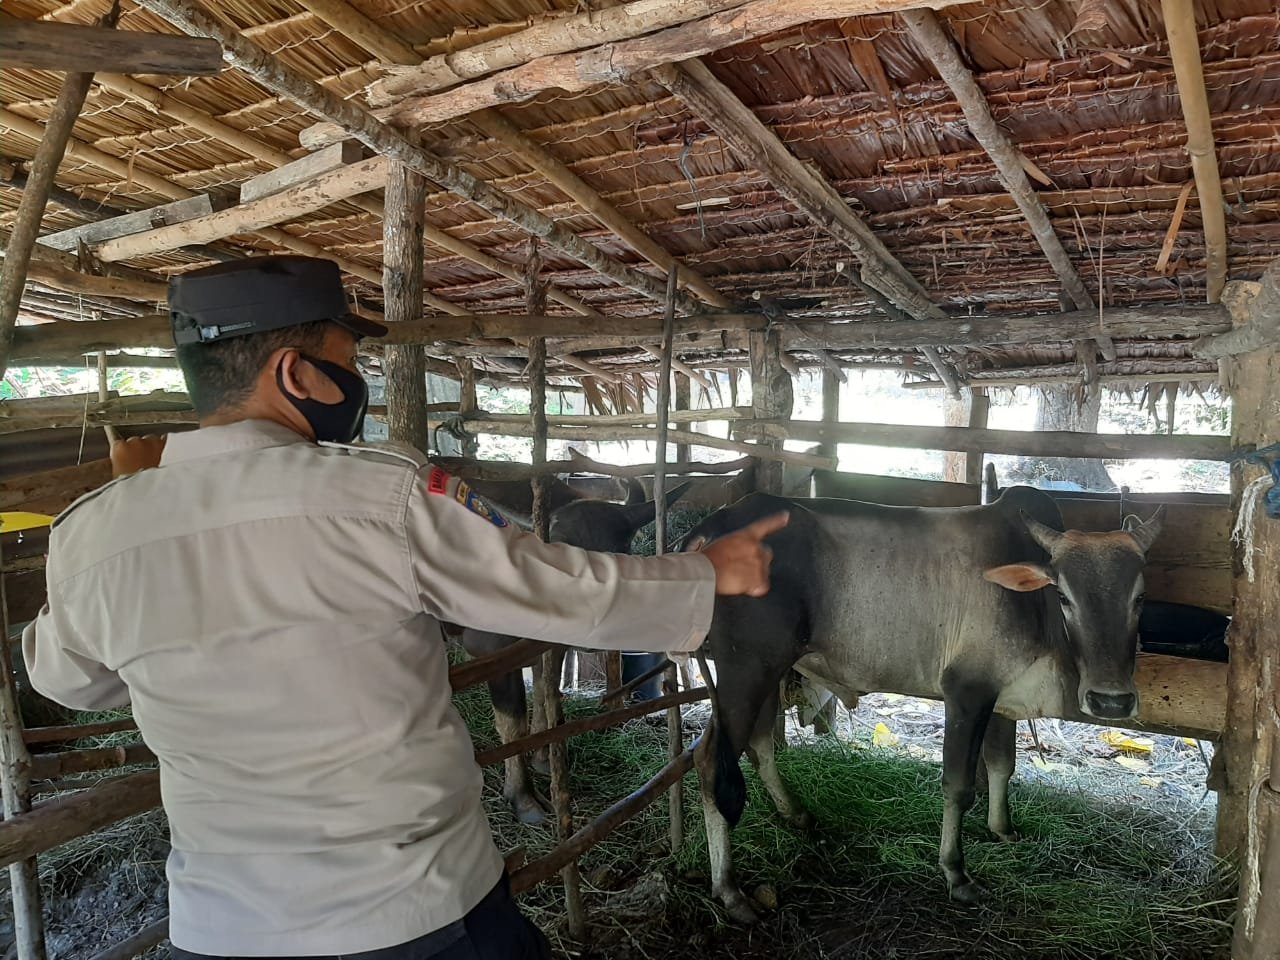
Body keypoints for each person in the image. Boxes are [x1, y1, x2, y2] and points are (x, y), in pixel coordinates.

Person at [22, 255, 788, 960]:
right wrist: (702, 574)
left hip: (221, 930)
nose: (355, 382)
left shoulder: (94, 533)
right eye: (348, 362)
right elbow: (554, 588)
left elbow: (70, 680)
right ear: (295, 372)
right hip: (416, 914)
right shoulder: (382, 497)